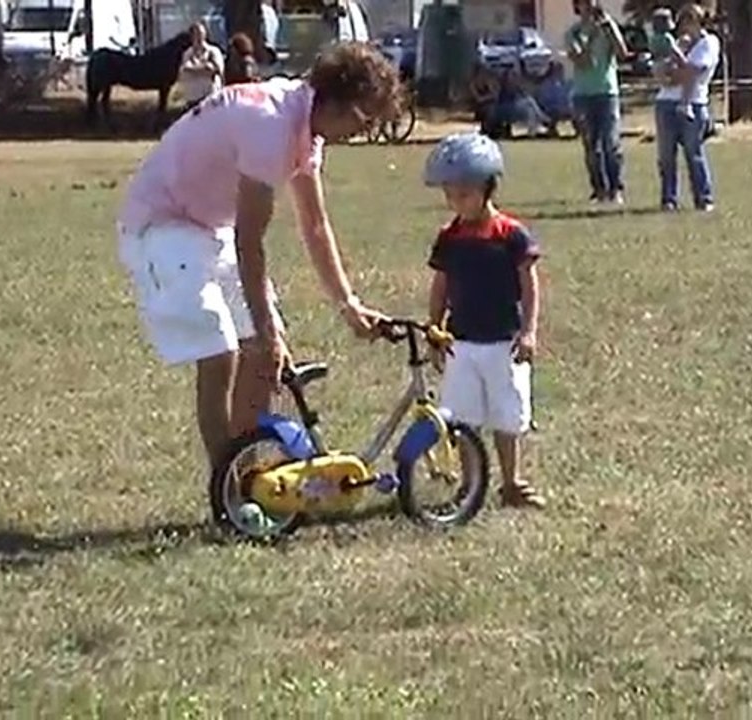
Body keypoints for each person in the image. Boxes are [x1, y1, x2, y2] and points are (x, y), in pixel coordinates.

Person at [116, 42, 402, 474]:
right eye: (362, 120)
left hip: (211, 225)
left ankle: (247, 473)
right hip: (163, 222)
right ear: (335, 100)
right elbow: (251, 241)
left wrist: (349, 303)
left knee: (265, 357)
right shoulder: (271, 123)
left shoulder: (306, 126)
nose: (361, 132)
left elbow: (315, 224)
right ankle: (228, 487)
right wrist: (264, 328)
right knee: (220, 351)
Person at [424, 132, 546, 510]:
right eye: (449, 195)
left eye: (463, 194)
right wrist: (434, 327)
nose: (455, 202)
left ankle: (511, 483)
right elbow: (440, 283)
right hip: (462, 342)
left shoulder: (511, 235)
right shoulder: (450, 237)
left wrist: (529, 331)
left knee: (507, 416)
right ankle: (470, 483)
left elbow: (529, 285)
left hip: (502, 342)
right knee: (462, 418)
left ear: (487, 188)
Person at [653, 3, 721, 212]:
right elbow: (661, 71)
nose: (686, 25)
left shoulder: (708, 42)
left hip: (694, 103)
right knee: (666, 156)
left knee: (694, 153)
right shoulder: (679, 43)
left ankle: (704, 198)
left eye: (690, 20)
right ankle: (669, 199)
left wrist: (674, 75)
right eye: (683, 21)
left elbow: (694, 72)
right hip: (666, 103)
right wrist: (672, 69)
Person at [566, 0, 629, 204]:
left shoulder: (607, 27)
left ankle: (616, 188)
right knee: (591, 146)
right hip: (583, 94)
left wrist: (609, 28)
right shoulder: (573, 32)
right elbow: (583, 61)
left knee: (611, 142)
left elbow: (622, 52)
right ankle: (599, 189)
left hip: (607, 93)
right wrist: (592, 36)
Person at [650, 7, 694, 119]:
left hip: (656, 64)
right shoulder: (667, 37)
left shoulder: (652, 38)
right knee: (675, 79)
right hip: (667, 63)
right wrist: (684, 62)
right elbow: (676, 51)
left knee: (665, 82)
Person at [178, 22, 225, 111]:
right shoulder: (187, 54)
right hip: (192, 101)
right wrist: (203, 68)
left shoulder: (213, 51)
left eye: (201, 34)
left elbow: (216, 70)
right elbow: (184, 71)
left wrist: (193, 69)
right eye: (196, 34)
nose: (199, 37)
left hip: (211, 99)